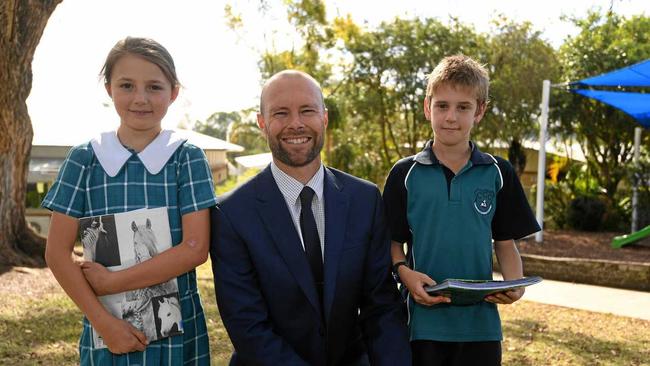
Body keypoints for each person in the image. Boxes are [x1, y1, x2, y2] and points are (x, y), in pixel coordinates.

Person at [210, 70, 411, 365]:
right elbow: (248, 325)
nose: (295, 123)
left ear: (324, 118)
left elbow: (381, 306)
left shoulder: (364, 200)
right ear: (262, 123)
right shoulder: (231, 214)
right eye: (281, 113)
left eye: (307, 110)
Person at [42, 37, 216, 365]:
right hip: (106, 329)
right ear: (109, 89)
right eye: (126, 85)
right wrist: (104, 323)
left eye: (154, 87)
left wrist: (113, 281)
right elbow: (56, 252)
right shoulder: (84, 159)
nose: (140, 99)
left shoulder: (186, 158)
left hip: (178, 331)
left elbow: (195, 248)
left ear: (173, 92)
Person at [382, 55, 540, 366]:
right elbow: (390, 242)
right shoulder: (404, 173)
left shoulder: (498, 172)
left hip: (482, 328)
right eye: (442, 105)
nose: (451, 117)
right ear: (428, 107)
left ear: (479, 111)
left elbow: (505, 244)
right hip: (422, 324)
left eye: (463, 107)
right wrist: (404, 274)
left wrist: (516, 286)